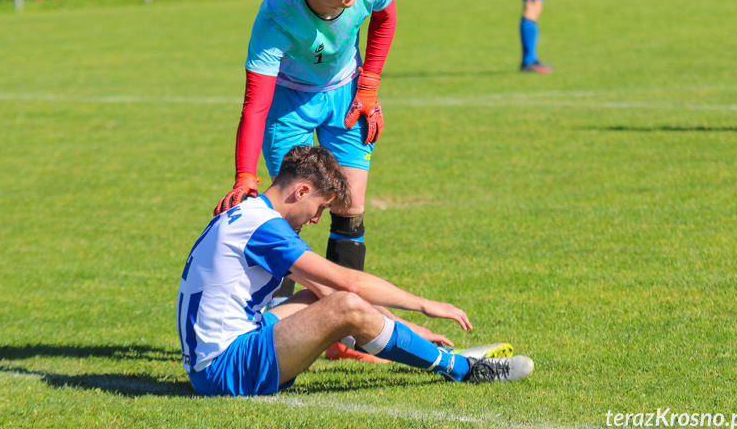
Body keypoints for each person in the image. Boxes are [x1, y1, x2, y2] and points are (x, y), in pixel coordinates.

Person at [184, 145, 534, 396]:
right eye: (319, 207)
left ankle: (437, 356)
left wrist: (403, 325)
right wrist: (425, 304)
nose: (317, 219)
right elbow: (348, 283)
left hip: (217, 357)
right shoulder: (265, 228)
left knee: (319, 299)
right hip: (225, 370)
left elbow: (323, 288)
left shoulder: (249, 214)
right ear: (301, 190)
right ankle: (462, 369)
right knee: (345, 305)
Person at [214, 0, 398, 357]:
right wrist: (245, 175)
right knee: (284, 220)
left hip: (346, 96)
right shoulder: (277, 15)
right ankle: (268, 334)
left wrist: (369, 85)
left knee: (350, 206)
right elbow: (255, 103)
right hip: (289, 105)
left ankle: (343, 334)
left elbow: (385, 16)